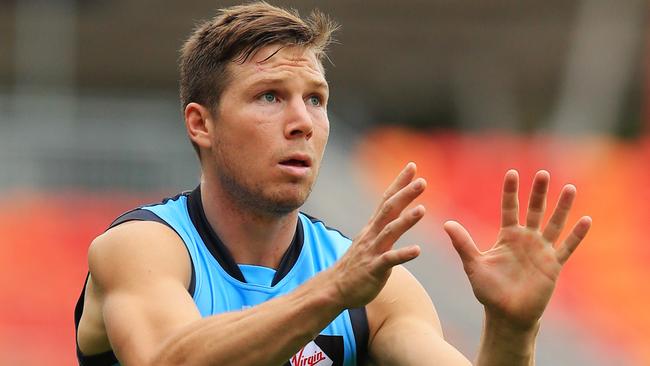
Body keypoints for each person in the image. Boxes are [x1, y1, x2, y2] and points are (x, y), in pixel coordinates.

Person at [74, 2, 592, 365]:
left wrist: (512, 330)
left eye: (315, 99)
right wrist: (332, 293)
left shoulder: (376, 289)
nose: (302, 121)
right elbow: (170, 359)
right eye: (269, 96)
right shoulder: (142, 247)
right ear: (200, 124)